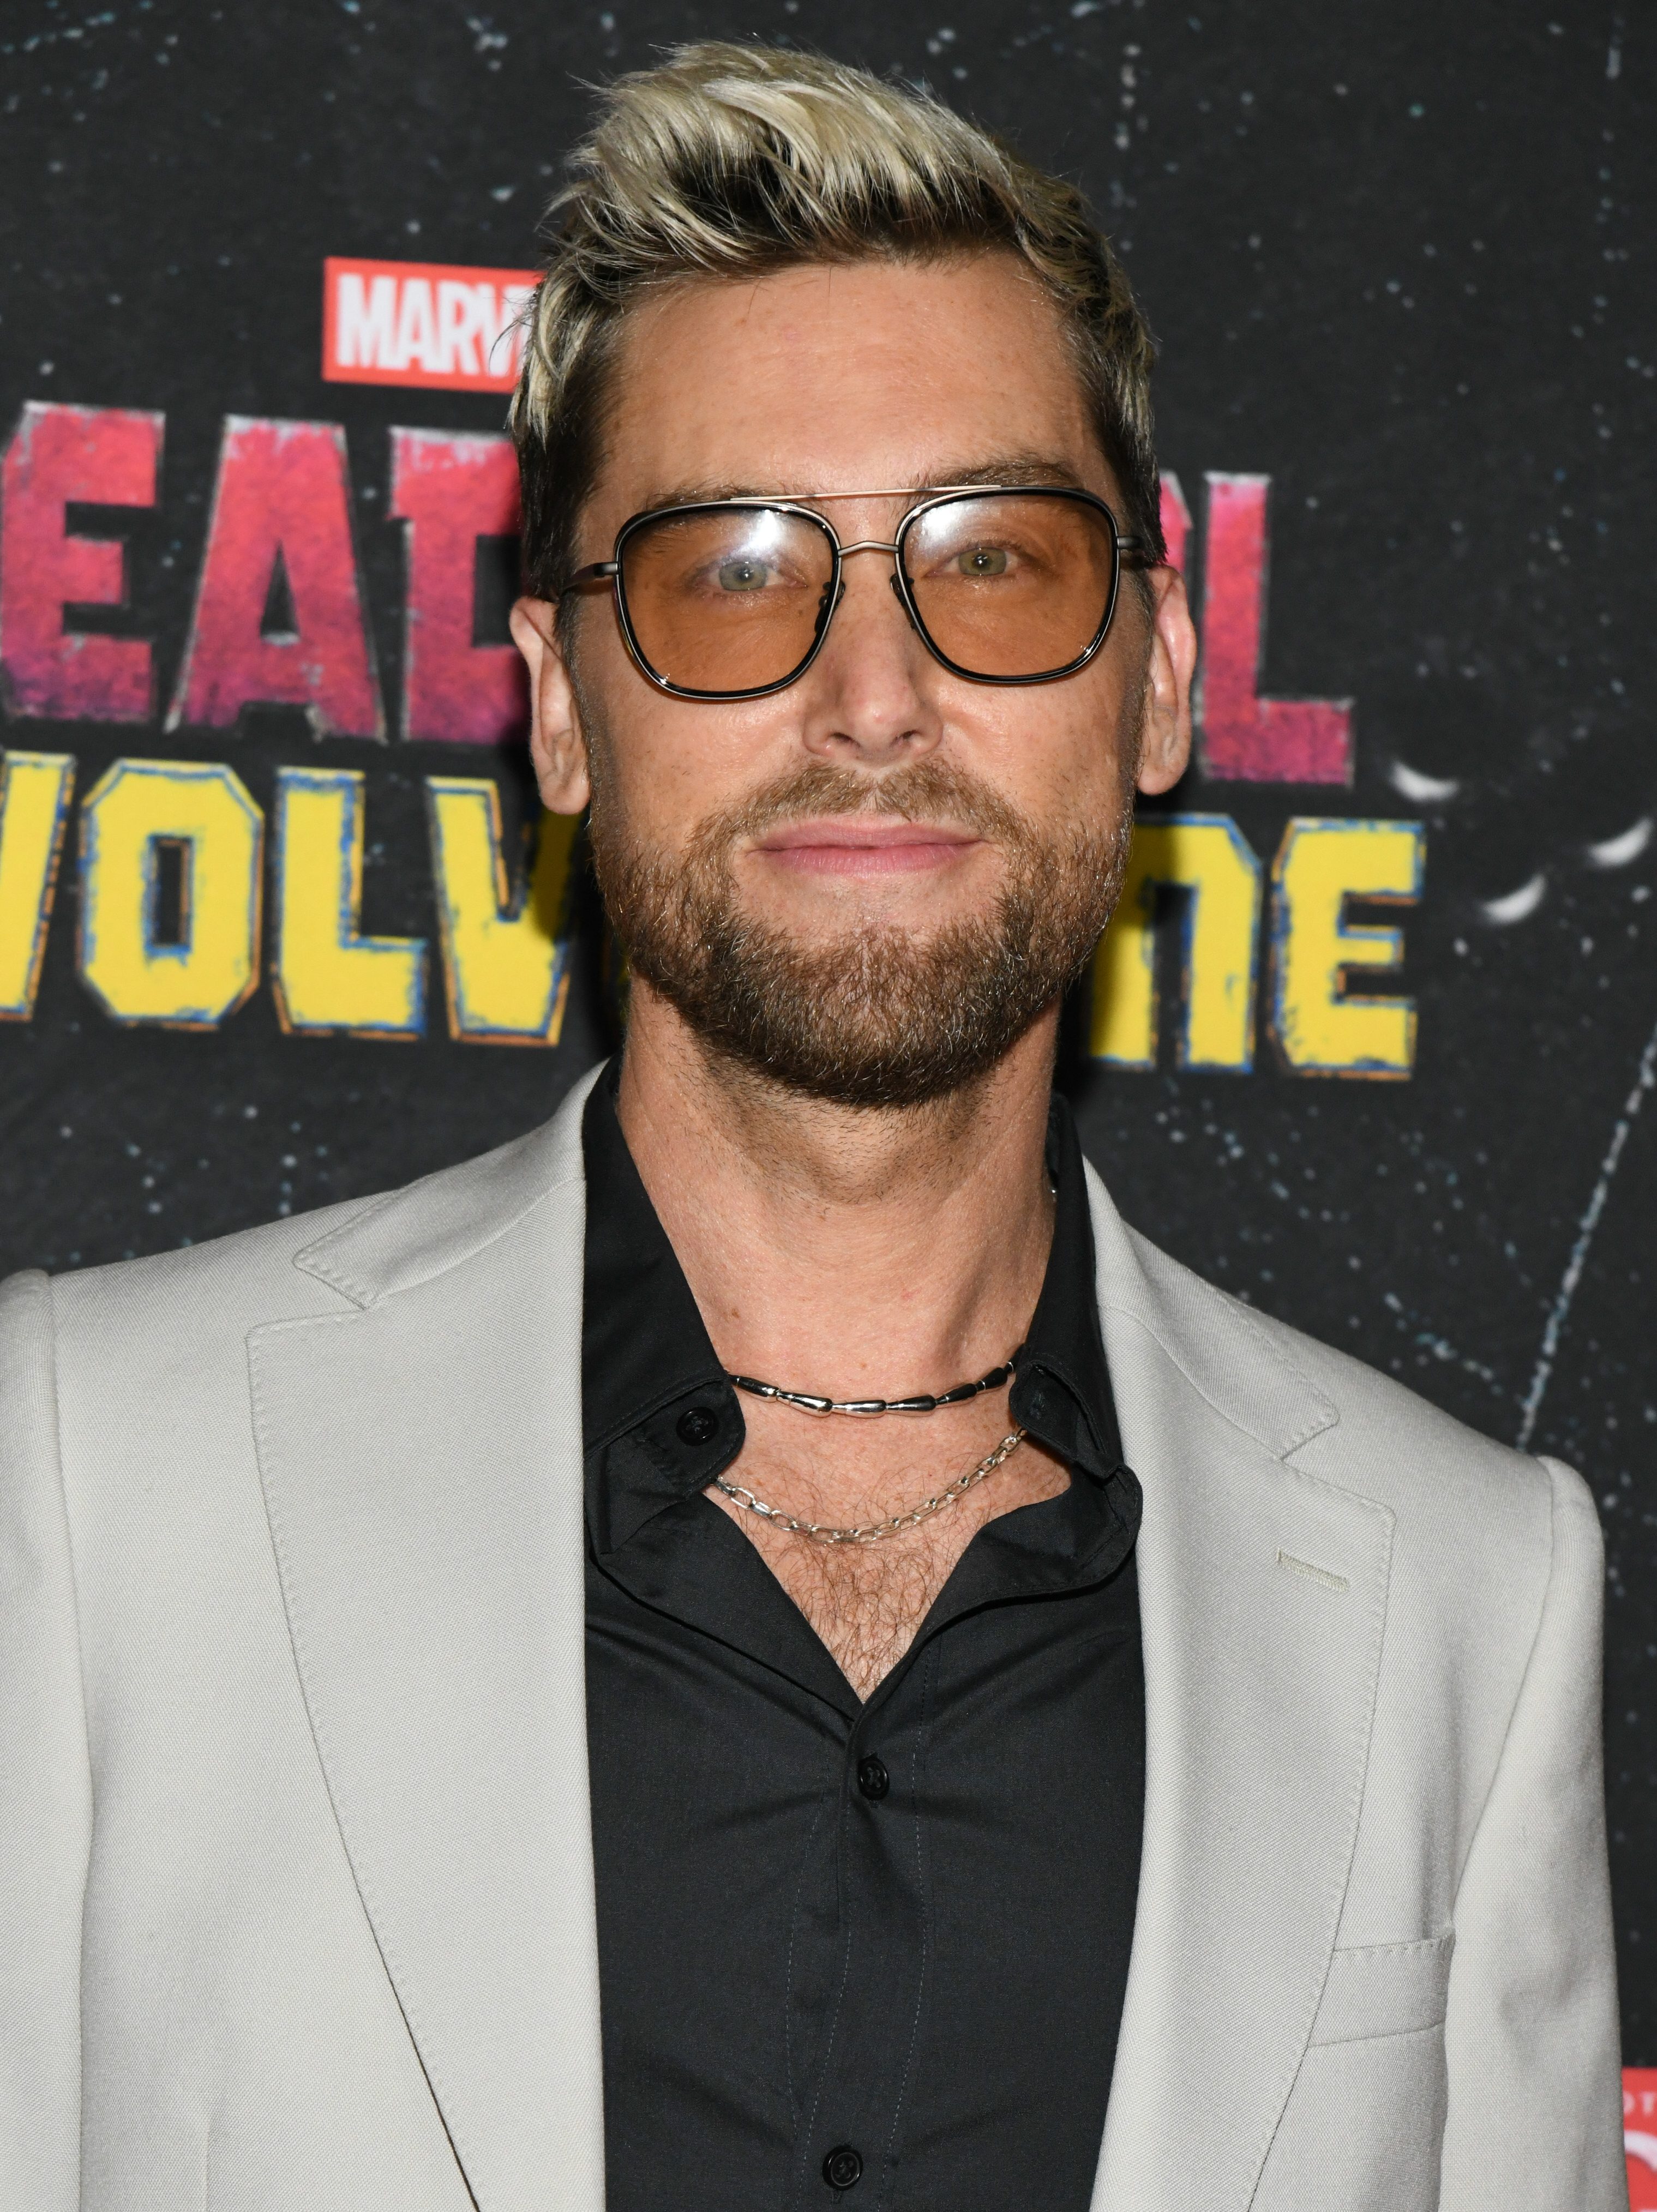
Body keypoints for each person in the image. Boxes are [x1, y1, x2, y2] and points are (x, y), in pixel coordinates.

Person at [0, 40, 1623, 2212]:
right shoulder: (88, 1477)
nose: (872, 698)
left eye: (994, 561)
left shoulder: (1471, 1596)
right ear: (562, 706)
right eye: (735, 572)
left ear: (1151, 673)